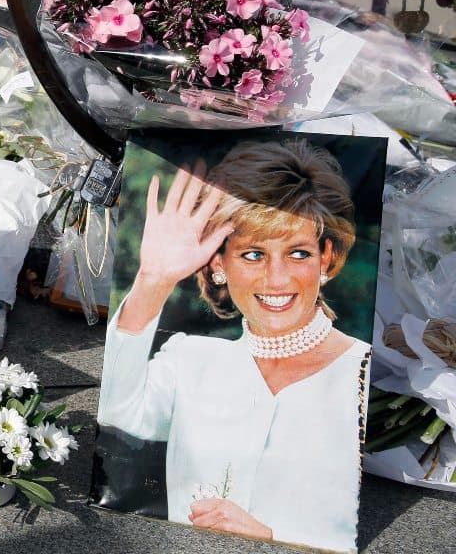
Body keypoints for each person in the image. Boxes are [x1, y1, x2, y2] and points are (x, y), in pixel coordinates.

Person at [97, 139, 368, 553]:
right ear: (218, 263)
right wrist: (154, 278)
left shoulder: (362, 372)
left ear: (326, 258)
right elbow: (117, 412)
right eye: (253, 255)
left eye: (298, 253)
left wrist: (274, 539)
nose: (276, 279)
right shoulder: (189, 358)